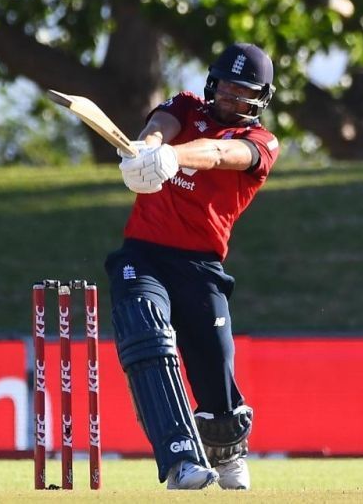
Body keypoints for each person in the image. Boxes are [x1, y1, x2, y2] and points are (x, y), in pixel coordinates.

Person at [105, 43, 278, 490]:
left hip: (201, 268)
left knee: (215, 371)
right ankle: (180, 459)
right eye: (225, 89)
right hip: (143, 255)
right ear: (212, 83)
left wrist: (171, 158)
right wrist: (145, 150)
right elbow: (160, 125)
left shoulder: (261, 143)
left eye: (243, 94)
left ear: (260, 100)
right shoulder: (185, 105)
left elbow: (221, 156)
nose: (231, 100)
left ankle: (226, 452)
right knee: (148, 337)